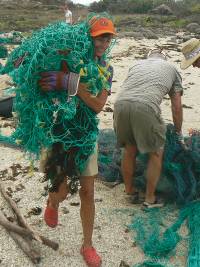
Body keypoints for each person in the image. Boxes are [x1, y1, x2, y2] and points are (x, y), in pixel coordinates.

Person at [39, 15, 116, 267]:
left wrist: (72, 83)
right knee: (60, 189)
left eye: (107, 38)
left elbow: (97, 105)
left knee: (87, 191)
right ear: (88, 37)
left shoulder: (108, 70)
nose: (102, 43)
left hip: (87, 136)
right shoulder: (71, 61)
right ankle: (52, 201)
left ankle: (88, 244)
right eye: (98, 38)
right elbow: (47, 83)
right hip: (63, 132)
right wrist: (61, 79)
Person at [113, 49, 183, 208]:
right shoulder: (171, 68)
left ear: (148, 57)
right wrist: (178, 132)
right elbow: (176, 106)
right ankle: (150, 199)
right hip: (145, 106)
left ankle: (129, 191)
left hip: (120, 105)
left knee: (129, 149)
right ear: (164, 58)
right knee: (156, 152)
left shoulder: (136, 65)